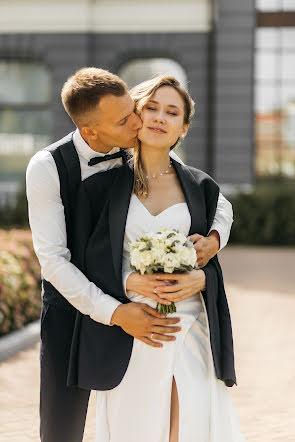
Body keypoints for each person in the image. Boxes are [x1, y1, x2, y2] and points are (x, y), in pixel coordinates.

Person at [26, 68, 234, 442]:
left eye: (168, 112)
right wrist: (120, 304)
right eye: (134, 115)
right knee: (62, 426)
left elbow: (216, 201)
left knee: (185, 417)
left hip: (174, 320)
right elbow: (55, 260)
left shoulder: (156, 162)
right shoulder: (49, 168)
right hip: (73, 302)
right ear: (93, 131)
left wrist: (215, 240)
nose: (142, 120)